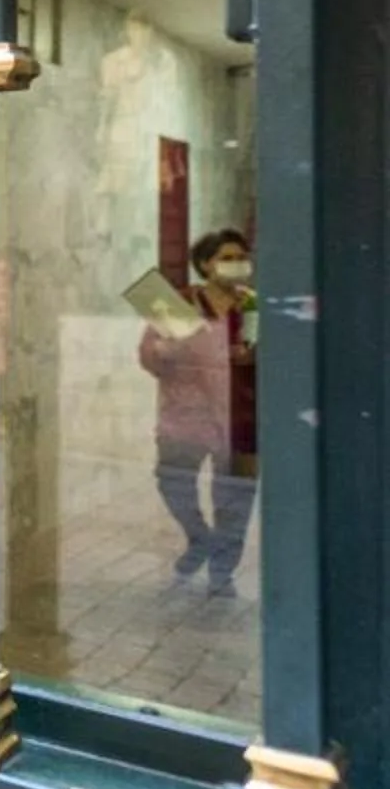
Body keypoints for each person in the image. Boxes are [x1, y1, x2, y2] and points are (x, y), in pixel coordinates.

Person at [138, 227, 258, 596]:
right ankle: (201, 538)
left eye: (241, 258)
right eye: (227, 258)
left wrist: (256, 355)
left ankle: (222, 572)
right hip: (186, 417)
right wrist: (170, 348)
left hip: (242, 417)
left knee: (236, 499)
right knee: (173, 483)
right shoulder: (179, 303)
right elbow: (148, 355)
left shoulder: (253, 305)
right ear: (206, 264)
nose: (237, 264)